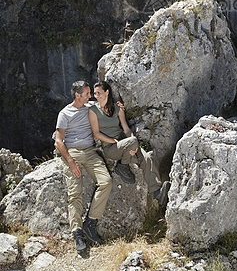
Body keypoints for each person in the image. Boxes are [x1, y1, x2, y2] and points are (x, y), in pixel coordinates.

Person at [88, 80, 170, 206]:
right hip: (110, 147)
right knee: (132, 142)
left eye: (99, 93)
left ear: (107, 92)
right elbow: (96, 133)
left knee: (146, 158)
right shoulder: (93, 110)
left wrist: (133, 145)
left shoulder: (117, 108)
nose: (96, 96)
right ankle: (123, 165)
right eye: (95, 94)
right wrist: (116, 141)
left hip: (124, 143)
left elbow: (126, 129)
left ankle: (157, 193)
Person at [55, 80, 113, 253]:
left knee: (106, 181)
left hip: (90, 152)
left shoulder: (90, 107)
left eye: (91, 93)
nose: (91, 96)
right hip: (72, 153)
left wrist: (118, 106)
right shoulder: (64, 113)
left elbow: (105, 103)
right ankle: (77, 233)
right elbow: (58, 141)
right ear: (77, 95)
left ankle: (91, 221)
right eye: (87, 93)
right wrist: (71, 162)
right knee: (75, 194)